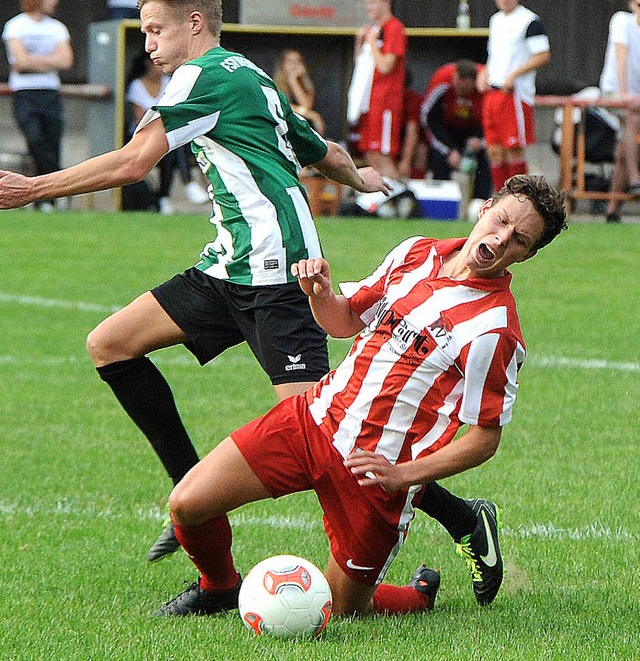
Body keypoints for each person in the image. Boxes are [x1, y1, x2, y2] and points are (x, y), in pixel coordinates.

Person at [0, 0, 504, 606]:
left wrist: (31, 188)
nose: (148, 44)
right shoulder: (247, 75)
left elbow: (134, 162)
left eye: (155, 30)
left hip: (283, 278)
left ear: (194, 23)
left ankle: (464, 521)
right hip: (226, 268)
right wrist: (364, 179)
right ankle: (196, 505)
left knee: (332, 438)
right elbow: (319, 149)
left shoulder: (202, 77)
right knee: (112, 343)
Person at [154, 174, 568, 618]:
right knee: (188, 503)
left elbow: (485, 438)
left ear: (524, 255)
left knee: (338, 609)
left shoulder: (495, 329)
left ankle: (419, 596)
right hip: (314, 419)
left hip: (374, 474)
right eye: (502, 220)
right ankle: (218, 587)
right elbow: (344, 320)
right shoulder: (416, 252)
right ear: (485, 208)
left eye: (519, 239)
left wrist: (402, 474)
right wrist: (319, 293)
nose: (501, 238)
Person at [2, 0, 73, 213]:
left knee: (52, 140)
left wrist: (34, 62)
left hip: (49, 91)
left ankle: (47, 199)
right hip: (25, 92)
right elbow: (19, 61)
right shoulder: (16, 26)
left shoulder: (57, 27)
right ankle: (56, 186)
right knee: (35, 139)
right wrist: (49, 61)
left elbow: (66, 60)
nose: (56, 1)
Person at [476, 0, 551, 193]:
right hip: (494, 92)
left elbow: (542, 54)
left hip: (514, 93)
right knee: (494, 149)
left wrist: (514, 74)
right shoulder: (496, 20)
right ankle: (501, 196)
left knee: (513, 148)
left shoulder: (529, 21)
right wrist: (485, 72)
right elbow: (496, 55)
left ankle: (520, 196)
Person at [124, 51, 209, 213]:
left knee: (172, 148)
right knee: (171, 143)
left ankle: (166, 197)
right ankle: (187, 182)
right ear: (148, 64)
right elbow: (140, 118)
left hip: (168, 135)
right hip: (144, 135)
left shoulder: (169, 82)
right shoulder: (137, 85)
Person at [348, 0, 407, 180]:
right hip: (368, 102)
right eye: (367, 3)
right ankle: (385, 202)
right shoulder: (374, 29)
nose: (369, 7)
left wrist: (372, 42)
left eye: (373, 2)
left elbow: (385, 66)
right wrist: (361, 43)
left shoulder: (394, 28)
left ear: (386, 3)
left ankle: (402, 198)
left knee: (382, 155)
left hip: (385, 102)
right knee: (370, 153)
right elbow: (363, 66)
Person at [421, 59, 492, 200]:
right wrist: (449, 150)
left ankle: (480, 202)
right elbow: (427, 118)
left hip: (475, 131)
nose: (460, 93)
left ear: (474, 82)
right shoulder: (441, 82)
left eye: (465, 89)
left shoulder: (486, 86)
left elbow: (496, 121)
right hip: (446, 130)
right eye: (457, 87)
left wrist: (481, 141)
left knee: (487, 159)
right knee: (438, 159)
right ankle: (441, 202)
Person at [599, 0, 640, 222]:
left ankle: (612, 208)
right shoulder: (621, 21)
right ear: (631, 4)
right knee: (631, 121)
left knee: (624, 148)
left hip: (634, 97)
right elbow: (621, 56)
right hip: (614, 90)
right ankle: (635, 177)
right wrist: (625, 94)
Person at [273, 48, 326, 135]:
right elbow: (281, 106)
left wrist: (293, 81)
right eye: (290, 61)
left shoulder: (306, 85)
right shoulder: (275, 85)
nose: (294, 65)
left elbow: (307, 106)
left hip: (302, 128)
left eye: (298, 61)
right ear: (282, 64)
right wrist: (308, 114)